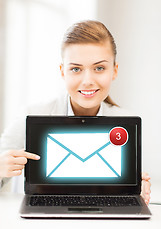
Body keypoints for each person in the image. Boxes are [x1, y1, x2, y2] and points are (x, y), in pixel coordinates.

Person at [0, 20, 151, 204]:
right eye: (76, 69)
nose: (87, 80)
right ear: (63, 72)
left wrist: (137, 192)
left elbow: (123, 186)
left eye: (99, 68)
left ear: (114, 71)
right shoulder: (30, 115)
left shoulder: (126, 122)